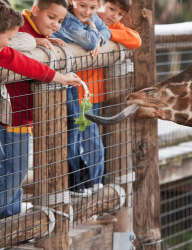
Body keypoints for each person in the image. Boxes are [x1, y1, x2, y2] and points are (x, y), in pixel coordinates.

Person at [0, 0, 81, 219]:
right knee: (13, 172)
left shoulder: (5, 49)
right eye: (8, 38)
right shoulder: (16, 37)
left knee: (15, 173)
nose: (10, 42)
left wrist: (61, 78)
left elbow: (27, 64)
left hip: (19, 118)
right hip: (11, 116)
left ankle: (9, 223)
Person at [51, 0, 111, 196]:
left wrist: (99, 38)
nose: (88, 12)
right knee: (71, 131)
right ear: (72, 2)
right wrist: (94, 32)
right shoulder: (68, 19)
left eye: (93, 8)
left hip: (74, 83)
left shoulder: (89, 17)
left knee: (77, 131)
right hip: (59, 82)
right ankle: (75, 183)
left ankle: (84, 182)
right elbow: (88, 42)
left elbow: (106, 32)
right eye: (83, 5)